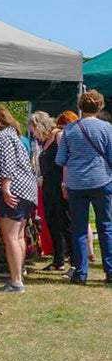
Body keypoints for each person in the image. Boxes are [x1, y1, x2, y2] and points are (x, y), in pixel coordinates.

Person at [56, 90, 112, 285]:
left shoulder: (70, 130)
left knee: (79, 228)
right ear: (100, 107)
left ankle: (81, 273)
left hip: (76, 183)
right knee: (105, 225)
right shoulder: (107, 128)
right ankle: (110, 270)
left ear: (80, 106)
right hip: (101, 180)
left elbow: (60, 159)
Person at [0, 108, 38, 293]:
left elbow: (6, 164)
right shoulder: (14, 136)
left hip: (13, 192)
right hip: (26, 192)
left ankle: (15, 282)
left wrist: (5, 188)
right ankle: (18, 276)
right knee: (19, 236)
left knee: (11, 237)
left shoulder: (2, 138)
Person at [28, 111, 71, 271]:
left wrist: (65, 184)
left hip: (59, 185)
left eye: (34, 130)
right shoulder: (44, 142)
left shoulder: (59, 136)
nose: (34, 135)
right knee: (53, 223)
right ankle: (58, 259)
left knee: (65, 222)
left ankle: (73, 259)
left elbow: (66, 161)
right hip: (48, 186)